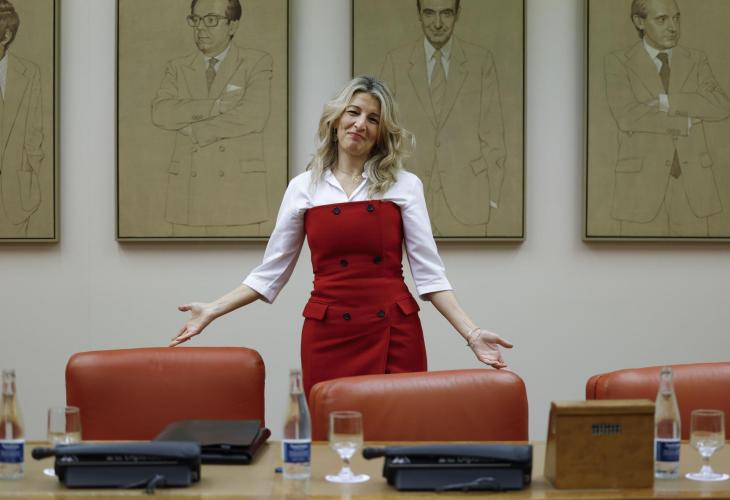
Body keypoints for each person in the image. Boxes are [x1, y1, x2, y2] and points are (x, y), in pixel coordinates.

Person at [170, 76, 513, 396]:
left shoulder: (405, 185)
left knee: (399, 432)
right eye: (354, 112)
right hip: (328, 335)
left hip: (393, 331)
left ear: (381, 133)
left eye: (373, 119)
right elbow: (270, 273)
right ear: (335, 120)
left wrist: (472, 333)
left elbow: (430, 275)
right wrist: (212, 309)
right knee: (333, 432)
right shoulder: (303, 187)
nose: (361, 124)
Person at [379, 0, 506, 237]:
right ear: (419, 14)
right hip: (407, 199)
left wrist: (492, 197)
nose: (437, 24)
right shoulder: (396, 62)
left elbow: (493, 134)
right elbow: (381, 135)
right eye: (429, 13)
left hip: (469, 198)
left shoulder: (481, 61)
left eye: (446, 14)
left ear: (457, 14)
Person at [604, 0, 730, 237]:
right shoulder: (618, 61)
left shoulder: (696, 59)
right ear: (639, 22)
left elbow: (722, 106)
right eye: (662, 19)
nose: (673, 27)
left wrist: (667, 101)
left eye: (676, 18)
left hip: (695, 189)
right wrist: (687, 122)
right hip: (640, 189)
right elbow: (628, 116)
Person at [151, 0, 272, 237]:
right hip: (187, 191)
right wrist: (214, 106)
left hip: (238, 189)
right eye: (195, 19)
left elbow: (253, 115)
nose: (200, 27)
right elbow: (161, 112)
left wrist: (194, 130)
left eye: (211, 20)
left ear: (233, 25)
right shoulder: (177, 67)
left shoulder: (257, 62)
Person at [0, 0, 43, 238]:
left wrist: (31, 169)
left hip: (16, 195)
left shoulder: (29, 73)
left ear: (6, 36)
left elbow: (35, 130)